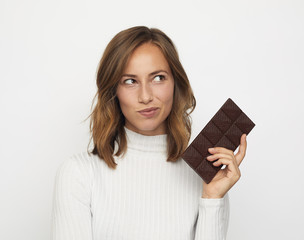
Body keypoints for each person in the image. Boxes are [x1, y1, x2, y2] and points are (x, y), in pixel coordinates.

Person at [51, 26, 247, 240]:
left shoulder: (207, 178)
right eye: (130, 81)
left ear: (175, 83)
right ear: (113, 92)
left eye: (158, 78)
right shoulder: (78, 174)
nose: (145, 96)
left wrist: (212, 198)